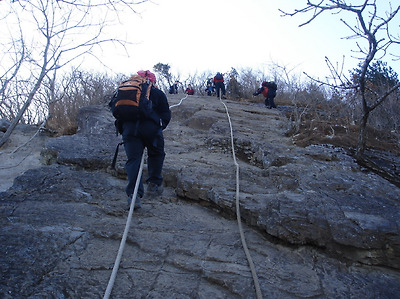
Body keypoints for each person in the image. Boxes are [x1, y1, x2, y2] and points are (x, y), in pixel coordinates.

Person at [122, 70, 171, 210]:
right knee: (156, 154)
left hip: (129, 131)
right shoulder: (157, 93)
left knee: (133, 160)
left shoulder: (127, 91)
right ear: (152, 81)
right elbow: (166, 114)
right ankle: (154, 185)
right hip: (151, 130)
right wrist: (159, 126)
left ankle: (133, 196)